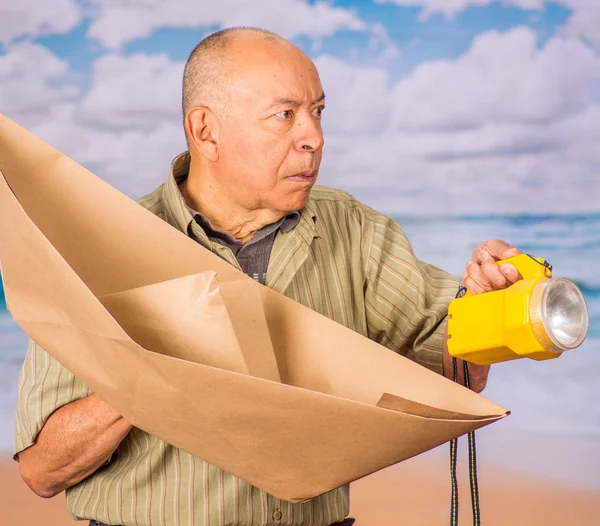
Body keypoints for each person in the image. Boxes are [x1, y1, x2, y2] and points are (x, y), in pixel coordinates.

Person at [14, 27, 523, 526]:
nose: (314, 138)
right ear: (206, 130)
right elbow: (42, 471)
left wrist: (487, 311)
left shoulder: (356, 230)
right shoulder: (96, 246)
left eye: (317, 112)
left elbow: (455, 382)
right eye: (285, 116)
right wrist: (152, 372)